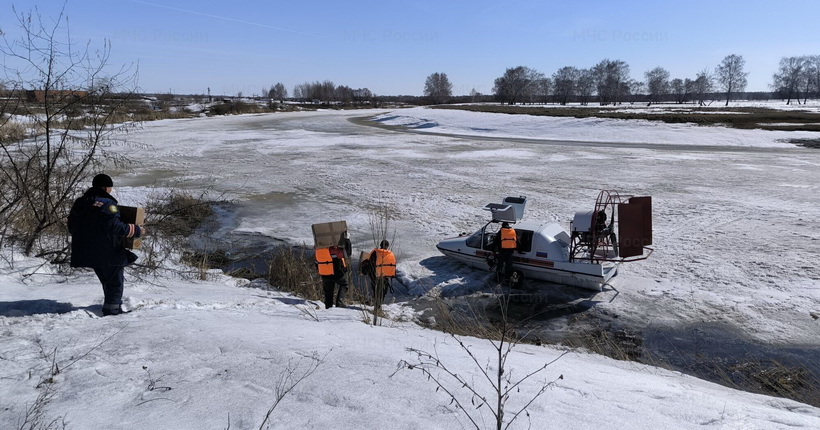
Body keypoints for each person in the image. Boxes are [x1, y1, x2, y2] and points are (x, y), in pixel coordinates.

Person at [68, 174, 144, 316]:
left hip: (86, 251)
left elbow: (71, 226)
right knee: (115, 283)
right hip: (107, 251)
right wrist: (136, 229)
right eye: (109, 187)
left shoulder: (81, 202)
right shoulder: (107, 204)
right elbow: (114, 226)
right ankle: (112, 312)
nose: (110, 190)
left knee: (107, 280)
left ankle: (113, 307)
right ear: (105, 188)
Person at [363, 240, 396, 306]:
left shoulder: (376, 253)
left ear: (380, 245)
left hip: (375, 275)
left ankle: (376, 304)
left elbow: (370, 264)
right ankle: (379, 304)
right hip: (385, 276)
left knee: (376, 290)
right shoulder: (390, 254)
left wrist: (366, 271)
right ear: (387, 246)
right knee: (383, 291)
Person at [315, 244, 349, 309]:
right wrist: (347, 241)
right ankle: (339, 302)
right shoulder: (335, 249)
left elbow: (316, 262)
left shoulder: (318, 249)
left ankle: (328, 307)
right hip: (337, 272)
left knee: (328, 292)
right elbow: (347, 253)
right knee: (344, 284)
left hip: (325, 273)